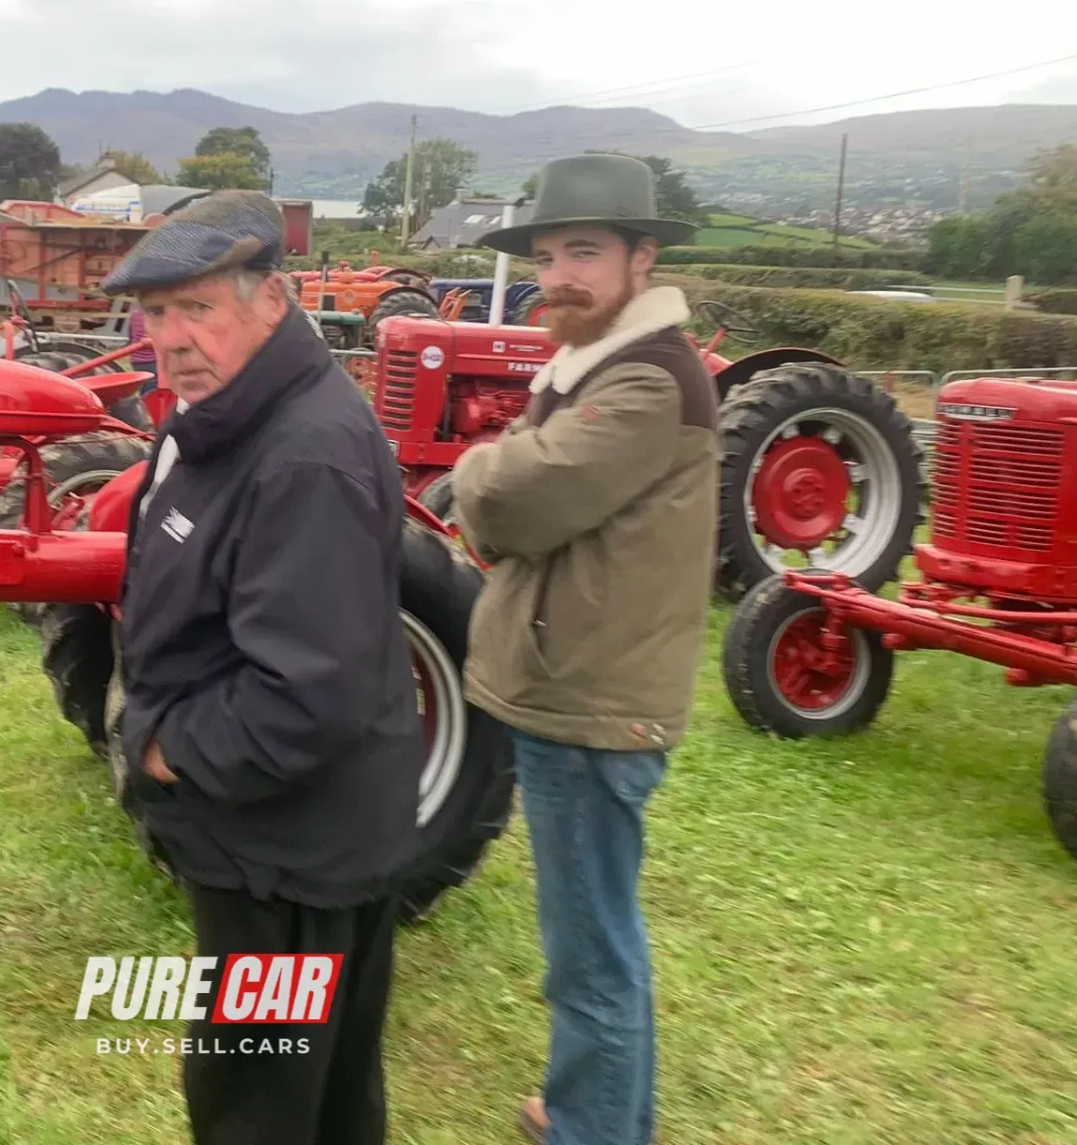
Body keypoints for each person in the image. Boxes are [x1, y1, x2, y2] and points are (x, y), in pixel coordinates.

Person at [103, 191, 422, 1145]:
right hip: (280, 836)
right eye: (156, 314)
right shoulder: (222, 417)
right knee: (316, 1094)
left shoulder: (304, 455)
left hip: (290, 852)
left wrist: (162, 749)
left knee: (259, 1104)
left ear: (271, 299)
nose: (172, 339)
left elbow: (303, 694)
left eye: (197, 308)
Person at [449, 154, 719, 1145]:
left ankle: (592, 1130)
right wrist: (504, 475)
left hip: (593, 699)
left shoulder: (650, 379)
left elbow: (517, 500)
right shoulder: (596, 364)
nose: (561, 272)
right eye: (550, 252)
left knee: (590, 948)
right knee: (595, 934)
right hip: (577, 686)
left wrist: (479, 464)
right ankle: (596, 1111)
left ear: (642, 259)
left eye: (587, 251)